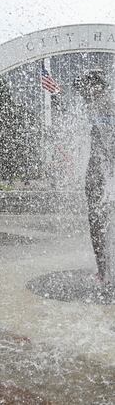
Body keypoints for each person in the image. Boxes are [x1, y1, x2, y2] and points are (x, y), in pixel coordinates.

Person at [74, 69, 115, 283]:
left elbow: (108, 145)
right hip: (100, 174)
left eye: (84, 91)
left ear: (96, 87)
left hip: (103, 174)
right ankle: (104, 271)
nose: (83, 96)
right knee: (100, 219)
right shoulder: (101, 103)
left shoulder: (104, 104)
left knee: (98, 220)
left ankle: (103, 273)